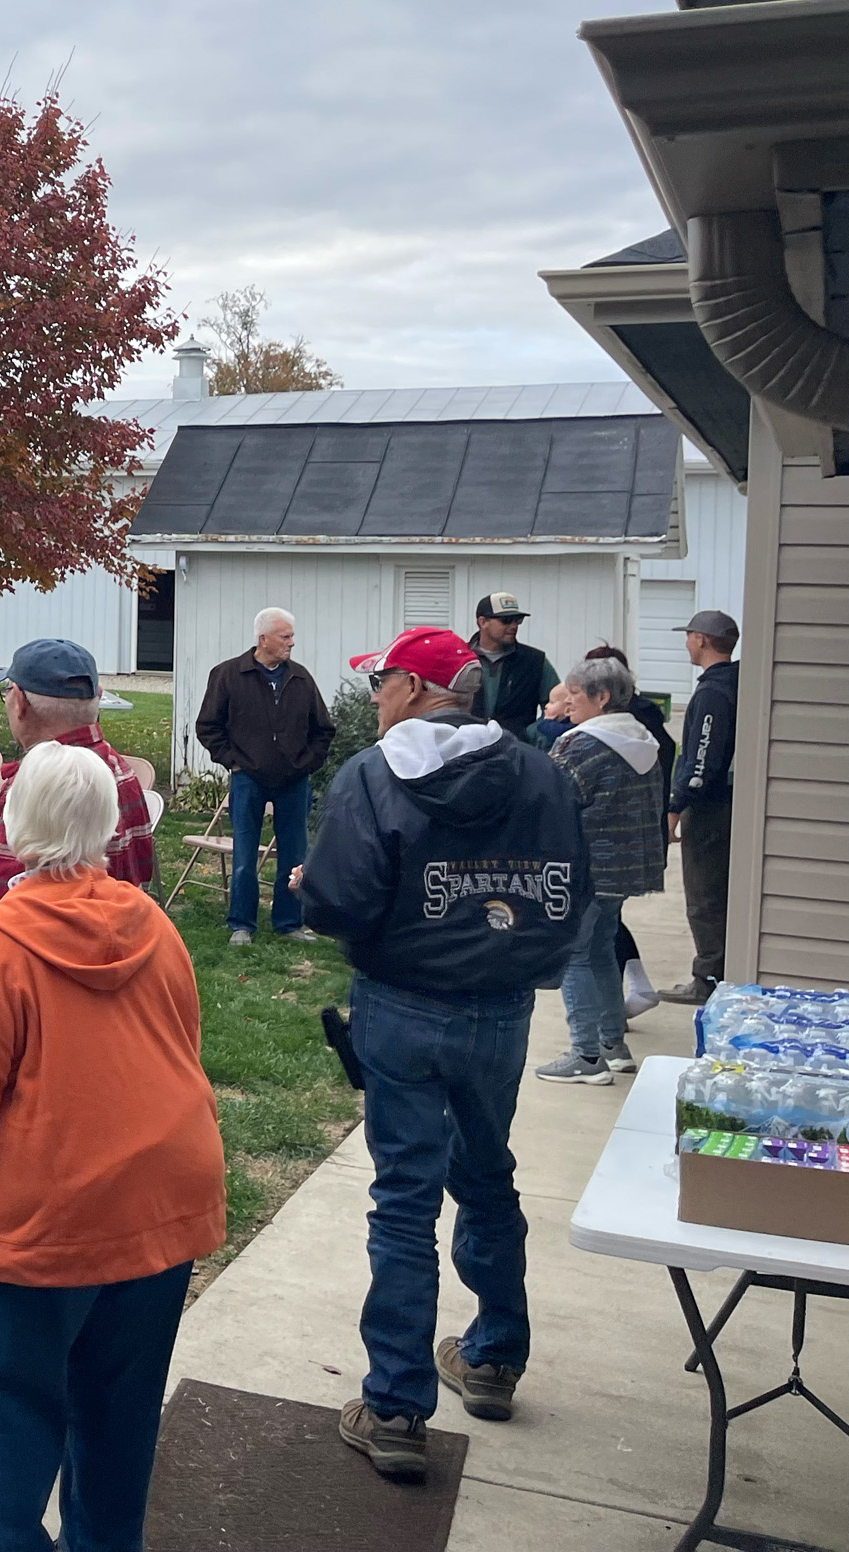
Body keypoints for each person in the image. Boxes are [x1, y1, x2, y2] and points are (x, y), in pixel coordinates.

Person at [0, 741, 227, 1552]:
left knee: (8, 1435)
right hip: (160, 1203)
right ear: (105, 827)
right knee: (120, 1426)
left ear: (16, 824)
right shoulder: (152, 921)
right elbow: (184, 1041)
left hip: (42, 1225)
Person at [295, 625, 587, 1482]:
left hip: (401, 1008)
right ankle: (493, 1356)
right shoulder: (543, 770)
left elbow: (341, 903)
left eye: (383, 680)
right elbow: (573, 893)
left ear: (418, 690)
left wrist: (319, 894)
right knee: (489, 1177)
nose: (376, 695)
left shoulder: (375, 774)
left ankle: (394, 1407)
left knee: (404, 1201)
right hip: (498, 1012)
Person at [0, 639, 154, 944]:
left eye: (6, 692)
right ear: (96, 697)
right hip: (109, 955)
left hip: (26, 973)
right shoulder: (120, 773)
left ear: (20, 702)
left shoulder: (36, 789)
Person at [535, 656, 668, 1085]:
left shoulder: (581, 744)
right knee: (601, 951)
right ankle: (614, 1045)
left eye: (574, 695)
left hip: (585, 867)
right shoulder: (644, 741)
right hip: (625, 868)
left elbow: (552, 802)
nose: (567, 703)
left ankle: (585, 1055)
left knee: (574, 954)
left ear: (602, 697)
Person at [194, 606, 334, 946]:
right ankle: (241, 925)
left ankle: (289, 924)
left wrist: (306, 764)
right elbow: (208, 726)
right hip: (247, 779)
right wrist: (232, 761)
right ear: (263, 639)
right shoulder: (227, 675)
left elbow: (323, 730)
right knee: (244, 854)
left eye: (291, 636)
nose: (291, 643)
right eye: (285, 637)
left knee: (294, 855)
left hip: (293, 782)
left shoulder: (300, 679)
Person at [662, 609, 740, 1004]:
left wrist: (677, 806)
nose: (687, 643)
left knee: (705, 895)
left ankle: (707, 977)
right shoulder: (740, 681)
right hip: (730, 804)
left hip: (710, 809)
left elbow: (701, 759)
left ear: (702, 641)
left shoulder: (712, 692)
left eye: (689, 635)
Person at [469, 592, 556, 741]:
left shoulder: (535, 661)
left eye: (517, 620)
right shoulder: (460, 659)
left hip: (517, 753)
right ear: (482, 622)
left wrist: (533, 732)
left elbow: (559, 705)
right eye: (506, 620)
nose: (514, 626)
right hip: (467, 751)